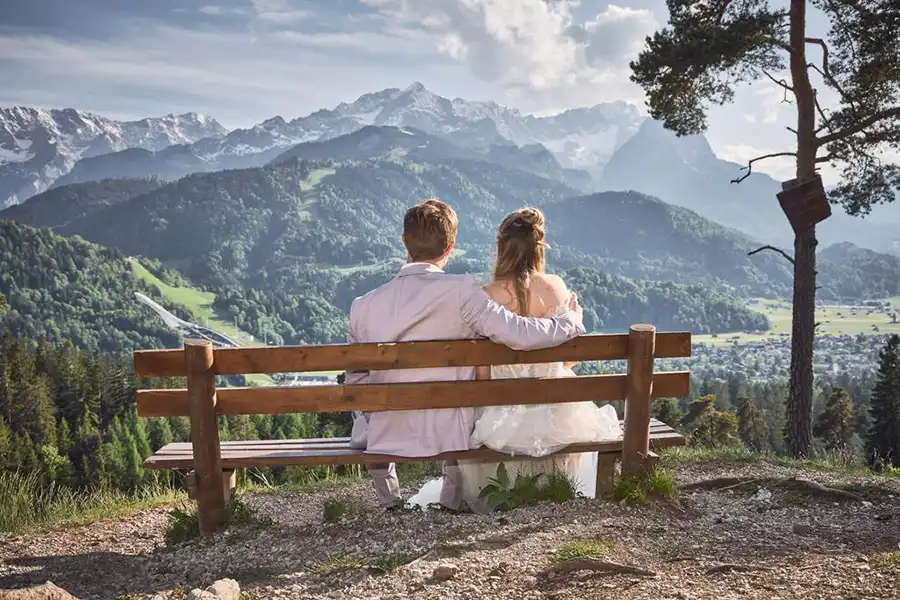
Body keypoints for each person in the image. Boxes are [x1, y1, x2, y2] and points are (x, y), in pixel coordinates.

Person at [346, 199, 586, 511]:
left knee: (367, 408)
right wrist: (569, 321)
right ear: (451, 245)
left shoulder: (362, 307)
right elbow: (521, 334)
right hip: (451, 429)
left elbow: (357, 383)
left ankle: (391, 501)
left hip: (387, 429)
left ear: (404, 241)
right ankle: (450, 502)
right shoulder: (463, 292)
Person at [408, 207, 620, 512]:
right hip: (559, 420)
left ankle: (485, 496)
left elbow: (481, 374)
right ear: (539, 248)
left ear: (501, 250)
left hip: (501, 427)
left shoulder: (486, 296)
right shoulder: (558, 288)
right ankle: (555, 490)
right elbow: (568, 363)